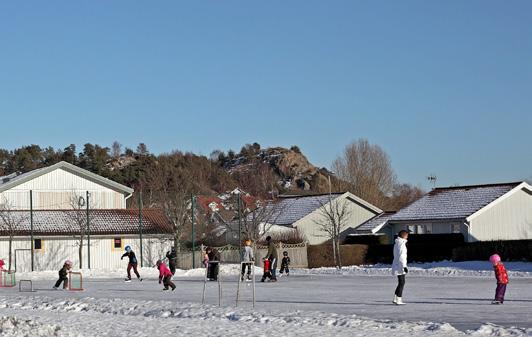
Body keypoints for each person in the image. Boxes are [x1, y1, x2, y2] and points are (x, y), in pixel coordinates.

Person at [392, 230, 409, 305]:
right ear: (404, 236)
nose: (407, 237)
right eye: (407, 235)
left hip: (397, 265)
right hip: (400, 266)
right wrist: (404, 266)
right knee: (402, 282)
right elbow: (402, 256)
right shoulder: (401, 244)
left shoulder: (397, 243)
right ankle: (399, 299)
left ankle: (395, 298)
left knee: (400, 282)